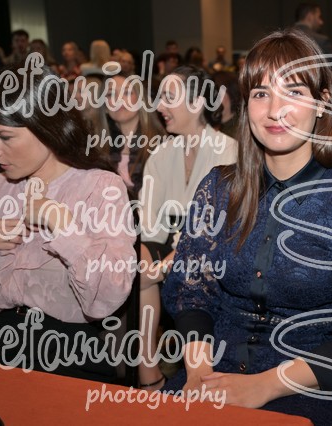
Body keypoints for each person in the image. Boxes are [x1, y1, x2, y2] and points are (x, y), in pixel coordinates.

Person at [160, 30, 332, 425]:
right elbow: (192, 293)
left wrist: (266, 385)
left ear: (322, 103)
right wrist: (200, 372)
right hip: (212, 367)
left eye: (294, 92)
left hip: (305, 385)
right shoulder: (217, 189)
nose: (275, 110)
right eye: (261, 93)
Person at [0, 64, 136, 381]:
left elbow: (108, 298)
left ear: (47, 129)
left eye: (5, 136)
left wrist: (62, 223)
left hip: (65, 350)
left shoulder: (100, 187)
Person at [136, 65, 238, 389]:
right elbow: (149, 226)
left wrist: (167, 263)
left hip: (211, 253)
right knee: (140, 259)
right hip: (165, 251)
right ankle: (148, 369)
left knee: (147, 273)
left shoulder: (229, 151)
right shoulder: (160, 155)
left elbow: (218, 231)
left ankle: (153, 374)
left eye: (169, 97)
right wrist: (156, 263)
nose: (159, 106)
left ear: (197, 102)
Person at [293, 3, 332, 76]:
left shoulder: (282, 39)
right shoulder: (321, 41)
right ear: (310, 16)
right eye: (319, 17)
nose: (321, 22)